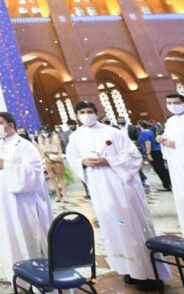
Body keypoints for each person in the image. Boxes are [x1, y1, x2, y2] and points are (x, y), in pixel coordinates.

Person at [66, 101, 169, 291]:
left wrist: (108, 160)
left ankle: (149, 273)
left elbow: (133, 157)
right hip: (99, 187)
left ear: (97, 113)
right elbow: (72, 158)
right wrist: (83, 161)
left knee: (133, 227)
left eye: (90, 111)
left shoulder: (112, 132)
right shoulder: (75, 137)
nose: (86, 115)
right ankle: (128, 269)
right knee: (113, 228)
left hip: (122, 185)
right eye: (82, 112)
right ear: (77, 115)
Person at [0, 112, 53, 281]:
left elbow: (35, 175)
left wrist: (5, 164)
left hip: (22, 204)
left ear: (10, 125)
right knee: (7, 238)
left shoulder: (24, 145)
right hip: (2, 203)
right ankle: (15, 276)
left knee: (26, 238)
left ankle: (35, 277)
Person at [158, 93, 184, 237]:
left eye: (176, 102)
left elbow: (180, 141)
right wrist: (163, 140)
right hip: (178, 165)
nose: (172, 106)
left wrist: (177, 144)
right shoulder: (171, 121)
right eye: (169, 103)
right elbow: (169, 138)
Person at [138, 120, 172, 191]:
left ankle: (167, 185)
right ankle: (168, 184)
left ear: (140, 126)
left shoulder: (144, 133)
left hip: (153, 152)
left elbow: (148, 143)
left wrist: (148, 153)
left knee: (159, 170)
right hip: (157, 151)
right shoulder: (150, 131)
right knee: (162, 169)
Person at [36, 127, 66, 201]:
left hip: (57, 159)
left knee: (60, 178)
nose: (44, 133)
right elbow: (41, 151)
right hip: (47, 160)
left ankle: (65, 196)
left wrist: (58, 157)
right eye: (42, 132)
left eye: (45, 132)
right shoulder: (40, 139)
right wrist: (44, 158)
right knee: (52, 179)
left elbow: (59, 149)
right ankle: (58, 195)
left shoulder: (55, 138)